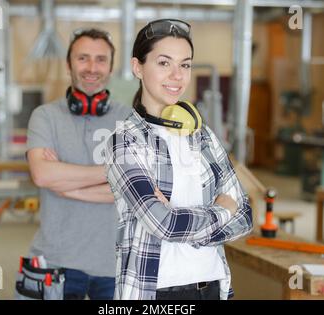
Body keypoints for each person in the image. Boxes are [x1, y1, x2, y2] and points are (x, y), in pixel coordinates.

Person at [104, 19, 253, 300]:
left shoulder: (202, 135)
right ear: (138, 67)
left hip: (213, 285)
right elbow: (164, 225)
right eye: (164, 63)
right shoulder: (125, 140)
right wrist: (221, 212)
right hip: (156, 291)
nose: (177, 75)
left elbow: (245, 215)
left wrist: (181, 218)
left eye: (185, 64)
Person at [25, 28, 131, 300]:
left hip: (116, 265)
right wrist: (113, 172)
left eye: (100, 59)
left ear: (110, 66)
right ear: (68, 64)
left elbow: (133, 190)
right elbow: (42, 174)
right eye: (83, 58)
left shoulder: (130, 119)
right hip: (54, 260)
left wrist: (66, 184)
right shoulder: (45, 116)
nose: (92, 67)